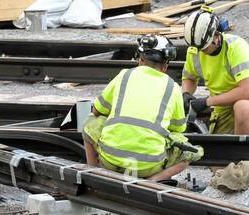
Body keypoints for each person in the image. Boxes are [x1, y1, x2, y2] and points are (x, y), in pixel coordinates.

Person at [83, 35, 202, 182]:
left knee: (91, 122)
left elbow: (97, 111)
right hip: (150, 164)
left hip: (111, 159)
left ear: (140, 59)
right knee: (188, 151)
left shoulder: (124, 75)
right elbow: (178, 128)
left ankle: (94, 174)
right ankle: (152, 182)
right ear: (165, 66)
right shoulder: (172, 87)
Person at [179, 8, 249, 136]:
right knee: (219, 147)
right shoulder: (195, 49)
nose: (201, 51)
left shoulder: (236, 47)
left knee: (242, 108)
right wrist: (186, 94)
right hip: (222, 105)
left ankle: (243, 154)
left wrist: (207, 102)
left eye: (205, 47)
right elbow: (190, 78)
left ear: (216, 36)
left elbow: (247, 92)